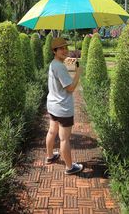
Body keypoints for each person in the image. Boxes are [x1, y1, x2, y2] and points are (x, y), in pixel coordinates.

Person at [45, 37, 83, 175]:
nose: (65, 50)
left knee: (51, 131)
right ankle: (69, 167)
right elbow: (70, 88)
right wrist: (78, 73)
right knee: (64, 138)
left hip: (53, 105)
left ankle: (50, 157)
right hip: (63, 108)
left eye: (66, 47)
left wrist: (66, 63)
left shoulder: (54, 64)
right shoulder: (59, 67)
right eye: (61, 48)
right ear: (54, 51)